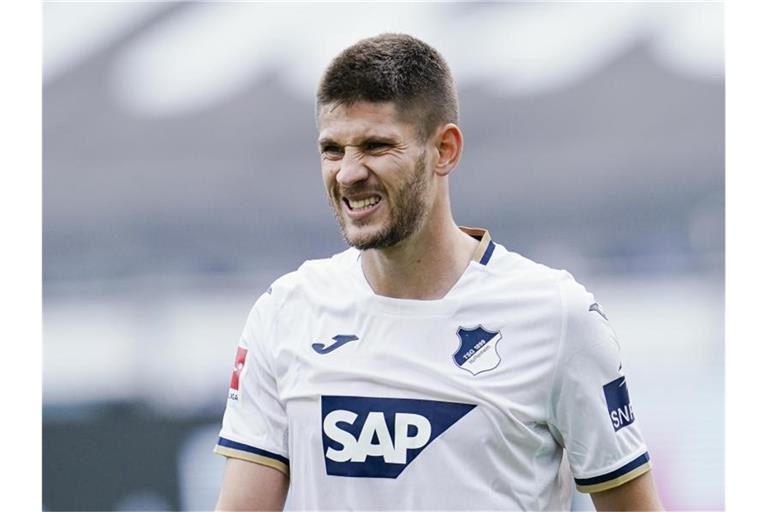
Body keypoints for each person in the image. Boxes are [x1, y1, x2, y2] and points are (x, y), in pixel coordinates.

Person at [214, 33, 662, 511]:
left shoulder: (557, 316)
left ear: (444, 149)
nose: (347, 173)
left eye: (375, 145)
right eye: (332, 149)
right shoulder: (286, 311)